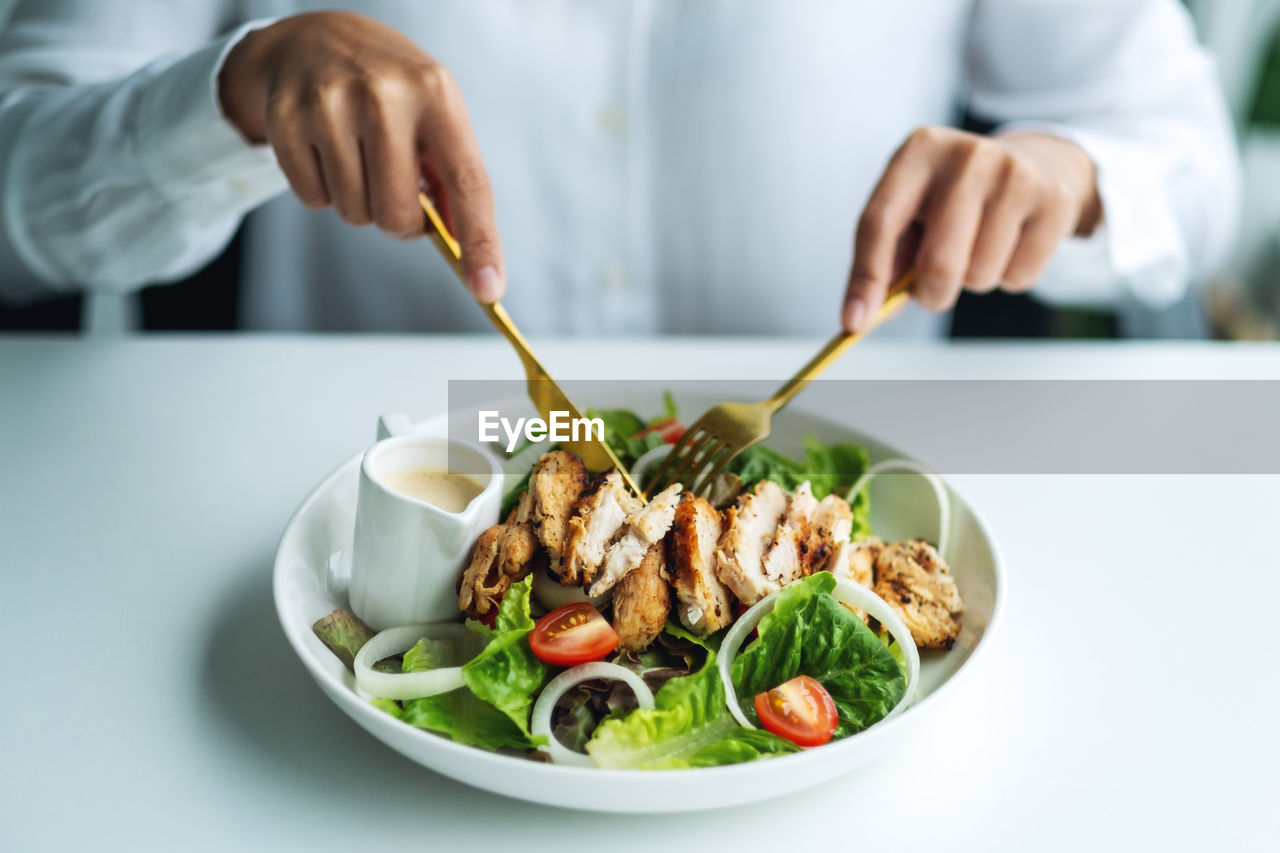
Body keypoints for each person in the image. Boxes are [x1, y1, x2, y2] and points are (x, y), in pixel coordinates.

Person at [0, 1, 1239, 336]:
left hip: (836, 479)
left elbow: (1186, 168)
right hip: (367, 497)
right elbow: (18, 192)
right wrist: (227, 92)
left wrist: (1065, 176)